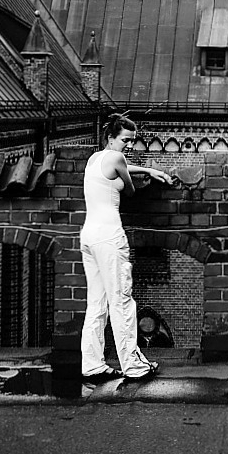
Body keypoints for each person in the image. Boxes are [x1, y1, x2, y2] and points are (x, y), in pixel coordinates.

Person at [79, 113, 173, 385]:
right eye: (126, 140)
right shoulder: (117, 158)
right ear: (111, 138)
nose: (130, 145)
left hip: (90, 236)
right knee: (122, 301)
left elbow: (119, 167)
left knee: (96, 304)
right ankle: (133, 366)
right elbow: (130, 189)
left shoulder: (94, 159)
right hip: (110, 236)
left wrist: (147, 170)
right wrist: (144, 175)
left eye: (133, 140)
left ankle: (92, 364)